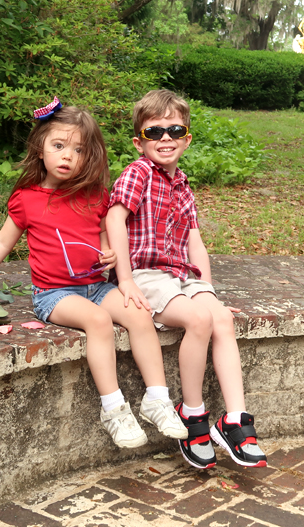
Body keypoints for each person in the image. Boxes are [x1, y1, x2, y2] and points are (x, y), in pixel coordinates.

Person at [0, 97, 187, 449]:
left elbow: (108, 239)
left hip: (95, 285)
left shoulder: (94, 195)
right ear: (40, 148)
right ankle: (114, 409)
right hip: (54, 294)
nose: (67, 156)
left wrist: (110, 257)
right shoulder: (27, 198)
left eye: (78, 150)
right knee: (99, 321)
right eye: (58, 146)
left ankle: (157, 399)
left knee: (139, 314)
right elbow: (2, 243)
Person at [106, 89, 268, 469]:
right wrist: (125, 279)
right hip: (146, 273)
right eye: (154, 132)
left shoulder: (182, 184)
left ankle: (233, 420)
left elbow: (194, 240)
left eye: (174, 130)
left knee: (221, 317)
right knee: (198, 320)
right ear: (138, 141)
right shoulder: (138, 173)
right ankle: (192, 414)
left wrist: (206, 289)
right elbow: (114, 219)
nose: (165, 138)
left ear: (187, 138)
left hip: (181, 276)